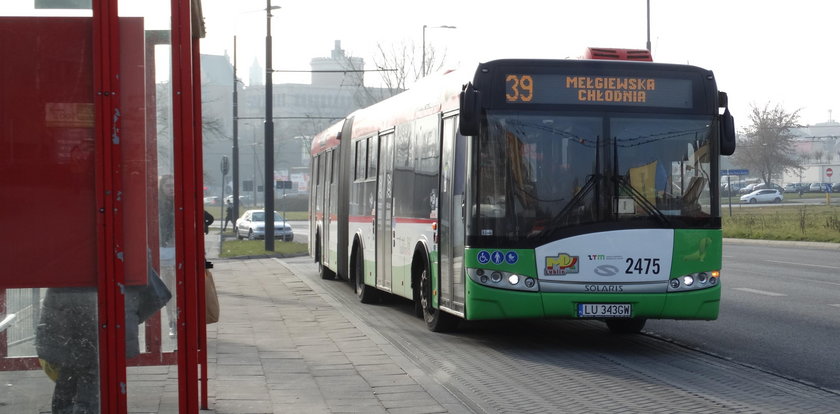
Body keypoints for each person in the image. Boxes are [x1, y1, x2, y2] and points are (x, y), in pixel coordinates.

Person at [36, 286, 142, 414]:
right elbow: (153, 294)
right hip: (104, 317)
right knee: (92, 379)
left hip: (64, 318)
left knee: (68, 377)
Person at [158, 174, 177, 338]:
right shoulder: (158, 206)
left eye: (173, 185)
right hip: (164, 252)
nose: (171, 189)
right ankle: (172, 321)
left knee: (182, 291)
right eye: (167, 186)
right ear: (161, 188)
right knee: (169, 291)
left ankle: (182, 320)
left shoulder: (182, 203)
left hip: (181, 252)